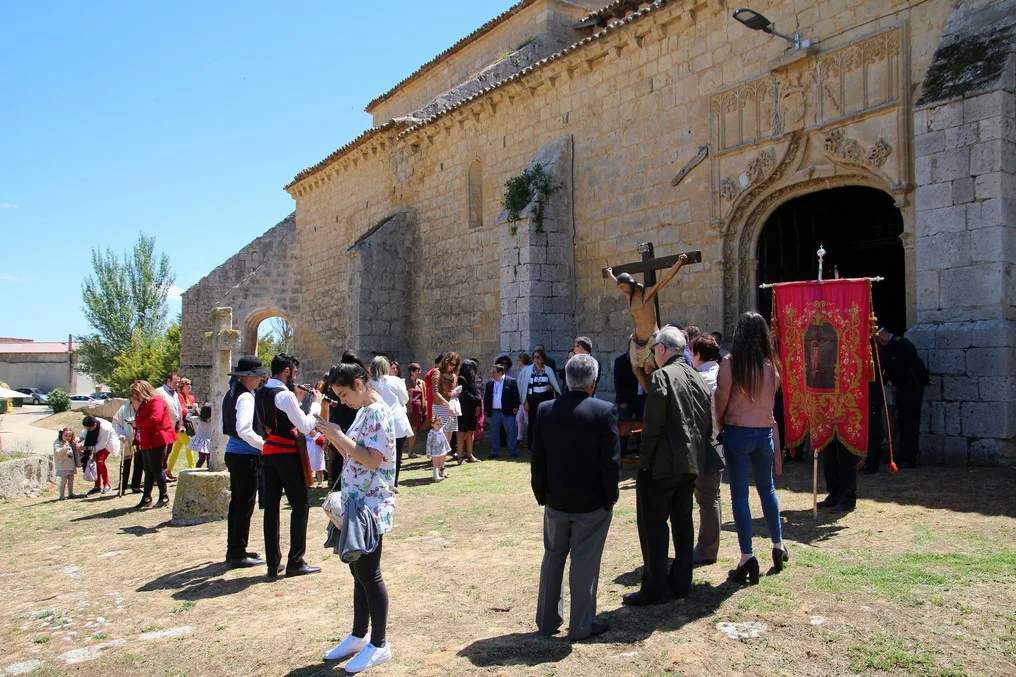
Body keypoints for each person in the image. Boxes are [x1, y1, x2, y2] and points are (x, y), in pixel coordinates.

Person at [532, 354, 620, 640]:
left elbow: (538, 458)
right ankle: (581, 624)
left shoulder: (546, 410)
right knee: (584, 562)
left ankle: (547, 621)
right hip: (591, 503)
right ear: (593, 382)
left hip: (557, 500)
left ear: (567, 380)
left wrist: (541, 493)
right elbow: (611, 462)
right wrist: (610, 497)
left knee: (553, 558)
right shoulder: (604, 411)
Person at [317, 362, 397, 673]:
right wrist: (333, 436)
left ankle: (378, 643)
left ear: (361, 383)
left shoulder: (377, 412)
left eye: (344, 393)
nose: (342, 400)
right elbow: (355, 453)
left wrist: (338, 434)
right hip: (357, 500)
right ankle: (359, 634)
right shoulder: (365, 410)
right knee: (358, 569)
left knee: (368, 571)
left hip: (370, 504)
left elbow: (372, 459)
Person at [625, 326, 712, 605]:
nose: (653, 356)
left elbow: (652, 427)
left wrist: (644, 462)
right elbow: (705, 424)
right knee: (683, 522)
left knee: (653, 525)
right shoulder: (697, 378)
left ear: (662, 349)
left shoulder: (661, 377)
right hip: (690, 465)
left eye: (653, 350)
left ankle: (656, 587)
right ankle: (682, 582)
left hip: (663, 465)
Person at [714, 312, 788, 586]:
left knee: (740, 495)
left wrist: (720, 422)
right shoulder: (772, 365)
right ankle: (778, 544)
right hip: (764, 432)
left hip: (738, 431)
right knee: (767, 489)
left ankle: (747, 555)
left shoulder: (732, 363)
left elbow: (721, 396)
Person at [256, 353, 323, 579]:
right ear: (287, 371)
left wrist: (296, 398)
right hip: (286, 453)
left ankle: (273, 563)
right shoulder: (284, 395)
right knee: (300, 505)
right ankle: (296, 561)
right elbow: (304, 426)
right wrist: (315, 405)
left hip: (268, 453)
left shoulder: (261, 391)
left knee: (272, 509)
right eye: (293, 372)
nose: (295, 376)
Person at [605, 253, 690, 391]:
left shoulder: (648, 293)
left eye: (623, 286)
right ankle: (650, 395)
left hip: (651, 337)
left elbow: (665, 279)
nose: (622, 289)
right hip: (637, 339)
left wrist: (679, 263)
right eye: (621, 287)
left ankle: (660, 394)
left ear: (630, 283)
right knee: (636, 370)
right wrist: (610, 274)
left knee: (650, 368)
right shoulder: (629, 297)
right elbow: (617, 284)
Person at [221, 355, 270, 569]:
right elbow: (244, 429)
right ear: (249, 377)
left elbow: (229, 425)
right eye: (258, 375)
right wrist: (264, 445)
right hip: (245, 455)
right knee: (244, 505)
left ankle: (234, 549)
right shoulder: (246, 397)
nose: (260, 379)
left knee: (237, 505)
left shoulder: (231, 394)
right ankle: (238, 554)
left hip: (234, 453)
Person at [689, 334, 724, 566]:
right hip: (719, 441)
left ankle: (707, 549)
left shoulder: (700, 378)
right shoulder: (721, 374)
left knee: (707, 497)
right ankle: (709, 545)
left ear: (698, 355)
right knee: (713, 495)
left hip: (706, 443)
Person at [876, 327, 928, 468]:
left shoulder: (899, 345)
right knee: (905, 423)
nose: (880, 343)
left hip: (910, 388)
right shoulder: (899, 345)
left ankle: (908, 457)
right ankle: (905, 455)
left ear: (885, 335)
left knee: (909, 423)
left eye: (880, 339)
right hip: (905, 388)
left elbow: (894, 368)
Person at [130, 380, 175, 510]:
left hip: (157, 438)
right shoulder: (144, 404)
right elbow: (140, 418)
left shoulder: (156, 401)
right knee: (148, 470)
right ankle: (146, 497)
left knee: (157, 468)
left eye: (137, 394)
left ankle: (164, 496)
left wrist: (138, 424)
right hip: (146, 439)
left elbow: (155, 419)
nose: (136, 397)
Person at [369, 356, 412, 490]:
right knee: (397, 453)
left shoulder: (369, 383)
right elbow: (404, 399)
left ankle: (380, 481)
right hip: (396, 420)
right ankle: (393, 482)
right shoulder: (396, 381)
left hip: (378, 421)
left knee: (377, 452)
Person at [518, 348, 562, 449]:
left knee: (545, 423)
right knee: (532, 423)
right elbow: (521, 384)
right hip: (532, 400)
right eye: (534, 357)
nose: (536, 359)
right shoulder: (527, 370)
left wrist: (551, 386)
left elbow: (554, 384)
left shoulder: (548, 370)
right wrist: (524, 401)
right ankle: (531, 446)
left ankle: (545, 446)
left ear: (542, 359)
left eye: (538, 357)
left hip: (545, 399)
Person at [483, 363, 521, 458]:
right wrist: (487, 410)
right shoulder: (490, 384)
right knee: (494, 432)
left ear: (500, 372)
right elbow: (487, 398)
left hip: (508, 411)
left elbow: (516, 396)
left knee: (510, 432)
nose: (492, 374)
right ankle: (495, 451)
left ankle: (512, 451)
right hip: (495, 411)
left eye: (494, 372)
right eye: (491, 372)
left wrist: (516, 407)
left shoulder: (511, 381)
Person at [614, 351, 644, 457]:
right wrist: (622, 400)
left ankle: (640, 451)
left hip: (642, 398)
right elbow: (618, 381)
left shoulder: (646, 359)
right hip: (627, 400)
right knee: (624, 426)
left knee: (643, 426)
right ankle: (621, 452)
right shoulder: (621, 361)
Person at [81, 415, 121, 495]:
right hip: (95, 443)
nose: (88, 430)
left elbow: (102, 444)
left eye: (89, 429)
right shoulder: (91, 423)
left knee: (100, 461)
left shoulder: (105, 428)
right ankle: (97, 486)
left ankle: (107, 485)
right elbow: (85, 431)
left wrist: (86, 448)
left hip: (107, 444)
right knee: (94, 463)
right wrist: (80, 439)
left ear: (95, 425)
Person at [430, 352, 461, 450]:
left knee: (449, 431)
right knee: (439, 431)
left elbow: (456, 391)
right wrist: (448, 405)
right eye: (451, 364)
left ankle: (443, 457)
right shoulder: (437, 372)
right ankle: (436, 456)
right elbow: (435, 392)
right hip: (440, 405)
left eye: (454, 365)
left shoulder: (454, 375)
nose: (452, 367)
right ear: (446, 361)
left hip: (451, 405)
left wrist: (455, 393)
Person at [167, 377, 198, 474]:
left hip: (188, 427)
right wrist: (191, 408)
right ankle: (192, 470)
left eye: (190, 384)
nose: (189, 386)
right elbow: (182, 410)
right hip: (180, 426)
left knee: (176, 450)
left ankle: (168, 470)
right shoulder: (179, 396)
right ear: (182, 386)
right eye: (187, 384)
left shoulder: (191, 398)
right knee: (190, 445)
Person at [156, 371, 182, 482]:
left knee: (168, 451)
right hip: (163, 428)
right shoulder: (159, 392)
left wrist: (180, 422)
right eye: (175, 382)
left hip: (172, 427)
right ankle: (158, 475)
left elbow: (178, 409)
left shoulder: (174, 394)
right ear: (168, 381)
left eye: (178, 382)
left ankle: (164, 472)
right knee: (162, 452)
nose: (177, 385)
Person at [455, 359, 482, 464]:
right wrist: (478, 400)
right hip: (463, 409)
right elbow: (464, 394)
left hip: (471, 409)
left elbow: (477, 393)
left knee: (470, 432)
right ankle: (460, 456)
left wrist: (478, 404)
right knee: (461, 433)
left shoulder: (472, 380)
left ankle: (470, 455)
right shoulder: (461, 379)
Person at [112, 399, 141, 494]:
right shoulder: (124, 409)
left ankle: (136, 486)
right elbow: (116, 422)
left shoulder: (144, 408)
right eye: (137, 400)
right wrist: (121, 434)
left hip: (140, 439)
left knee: (139, 462)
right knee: (126, 462)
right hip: (127, 438)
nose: (139, 402)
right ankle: (122, 487)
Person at [404, 363, 427, 459]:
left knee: (414, 430)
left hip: (418, 410)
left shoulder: (421, 383)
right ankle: (400, 451)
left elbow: (424, 396)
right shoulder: (405, 382)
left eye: (419, 370)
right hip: (408, 409)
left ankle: (410, 451)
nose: (419, 373)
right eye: (417, 371)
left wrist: (424, 409)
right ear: (411, 372)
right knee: (404, 430)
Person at [54, 428, 83, 500]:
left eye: (69, 436)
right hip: (63, 465)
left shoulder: (70, 443)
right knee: (63, 480)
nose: (68, 437)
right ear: (61, 435)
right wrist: (65, 448)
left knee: (71, 479)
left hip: (70, 464)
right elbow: (58, 452)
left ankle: (71, 493)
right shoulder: (58, 443)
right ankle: (62, 495)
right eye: (66, 435)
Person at [187, 403, 214, 468]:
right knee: (209, 460)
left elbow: (187, 417)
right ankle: (209, 473)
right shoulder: (213, 420)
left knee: (201, 459)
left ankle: (195, 471)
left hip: (201, 441)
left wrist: (192, 410)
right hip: (209, 441)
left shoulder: (198, 418)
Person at [426, 416, 451, 481]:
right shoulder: (431, 433)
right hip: (435, 451)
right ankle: (436, 476)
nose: (439, 426)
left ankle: (440, 472)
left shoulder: (442, 430)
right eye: (437, 424)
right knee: (436, 464)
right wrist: (428, 452)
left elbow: (447, 425)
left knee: (441, 463)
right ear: (432, 425)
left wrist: (451, 418)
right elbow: (428, 443)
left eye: (440, 424)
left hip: (442, 450)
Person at [515, 352, 532, 448]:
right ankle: (519, 438)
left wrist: (524, 400)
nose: (517, 361)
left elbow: (524, 386)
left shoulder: (526, 370)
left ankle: (530, 440)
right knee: (519, 418)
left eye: (519, 359)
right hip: (521, 399)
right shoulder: (523, 370)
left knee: (527, 419)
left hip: (524, 399)